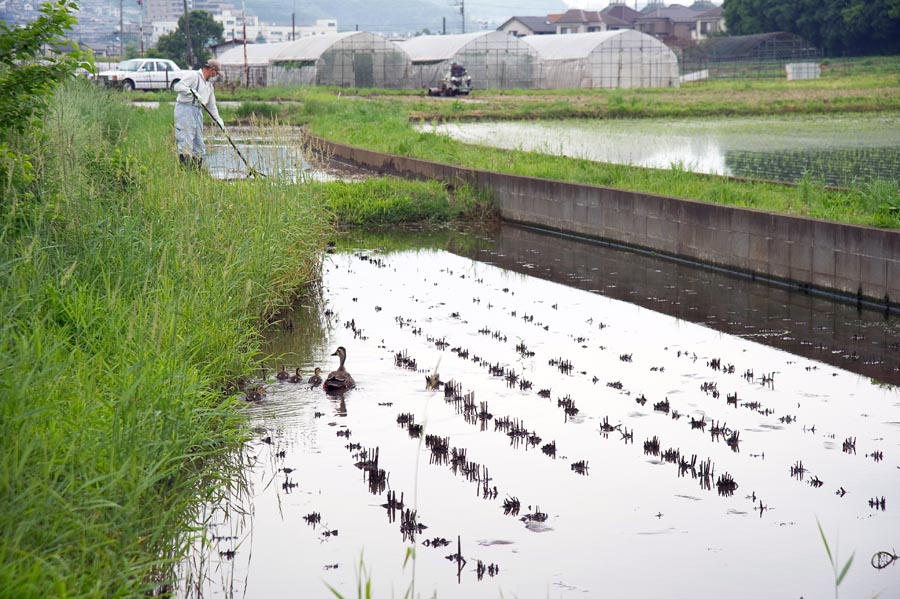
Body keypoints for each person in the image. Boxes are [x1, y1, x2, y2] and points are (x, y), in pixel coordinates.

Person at [173, 59, 224, 169]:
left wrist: (218, 120)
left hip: (197, 111)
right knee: (186, 140)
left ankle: (196, 172)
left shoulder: (209, 85)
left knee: (199, 144)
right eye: (216, 73)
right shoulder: (193, 76)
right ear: (211, 70)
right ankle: (185, 172)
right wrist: (191, 92)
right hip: (185, 109)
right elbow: (178, 87)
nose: (216, 76)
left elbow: (212, 106)